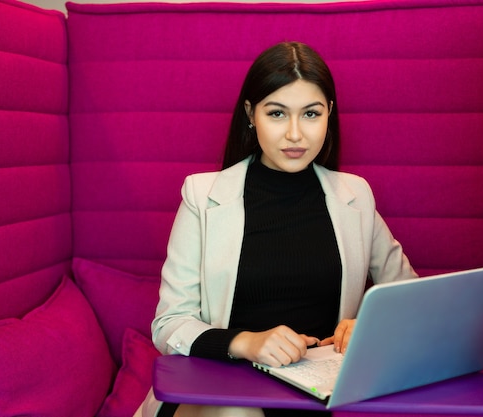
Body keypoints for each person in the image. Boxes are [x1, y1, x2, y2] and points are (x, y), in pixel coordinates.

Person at [136, 41, 417, 417]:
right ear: (251, 114)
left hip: (317, 391)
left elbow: (411, 300)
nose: (296, 135)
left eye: (311, 114)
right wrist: (246, 343)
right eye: (277, 113)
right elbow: (169, 324)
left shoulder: (356, 196)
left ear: (329, 113)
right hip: (220, 388)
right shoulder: (202, 196)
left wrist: (368, 324)